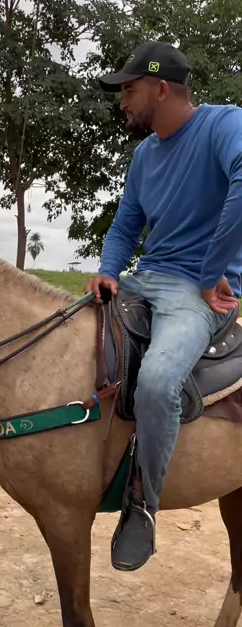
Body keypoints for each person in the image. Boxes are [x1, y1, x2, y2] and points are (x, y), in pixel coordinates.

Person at [86, 40, 242, 572]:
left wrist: (210, 272)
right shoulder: (144, 155)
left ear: (160, 88)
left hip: (198, 293)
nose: (122, 101)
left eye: (129, 89)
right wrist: (109, 269)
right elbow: (126, 225)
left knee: (156, 381)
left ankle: (142, 506)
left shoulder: (223, 124)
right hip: (143, 279)